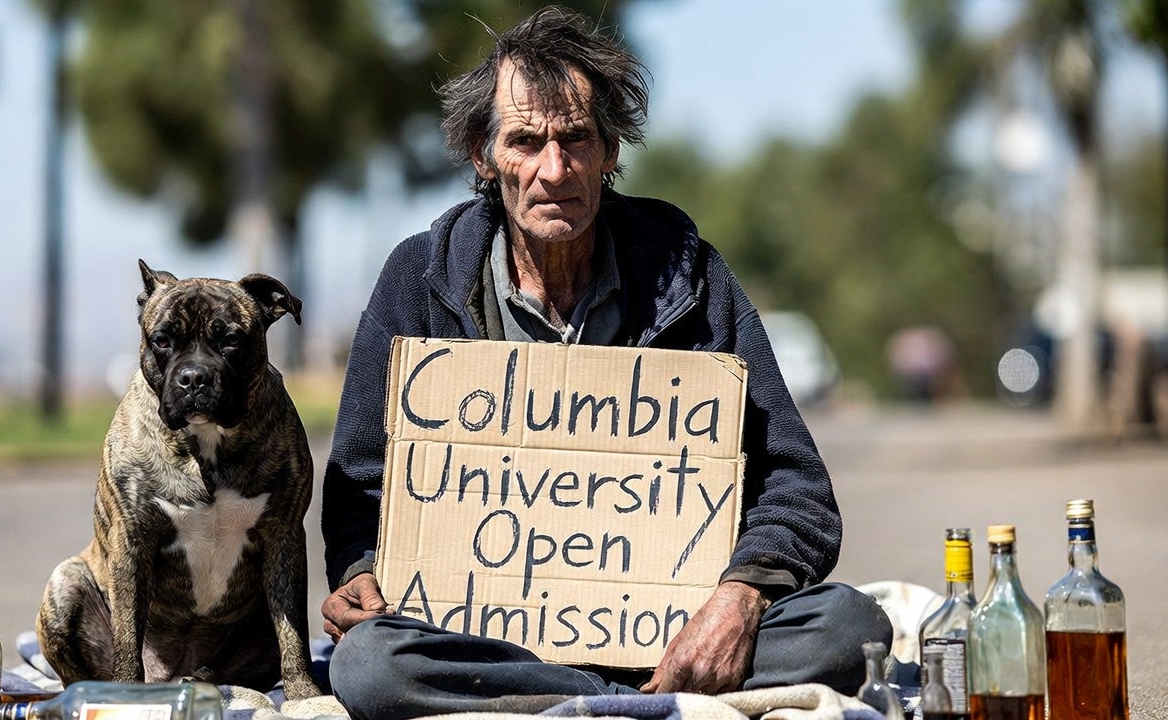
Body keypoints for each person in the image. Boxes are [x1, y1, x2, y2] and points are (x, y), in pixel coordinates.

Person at [320, 7, 892, 719]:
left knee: (849, 626)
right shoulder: (419, 277)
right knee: (371, 663)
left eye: (576, 140)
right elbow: (361, 489)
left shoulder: (691, 277)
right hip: (481, 642)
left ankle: (597, 697)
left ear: (612, 150)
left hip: (675, 636)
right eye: (526, 141)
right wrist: (361, 573)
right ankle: (617, 703)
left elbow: (797, 487)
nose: (553, 170)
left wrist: (741, 598)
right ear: (482, 153)